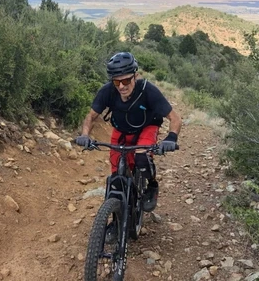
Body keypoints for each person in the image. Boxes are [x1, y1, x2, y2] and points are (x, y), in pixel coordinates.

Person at [75, 51, 182, 212]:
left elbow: (175, 118)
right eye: (117, 82)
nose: (122, 86)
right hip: (121, 130)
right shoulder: (107, 91)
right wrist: (85, 135)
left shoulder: (148, 91)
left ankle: (152, 185)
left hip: (147, 127)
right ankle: (115, 220)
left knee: (141, 157)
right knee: (116, 176)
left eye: (126, 80)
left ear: (135, 76)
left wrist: (171, 137)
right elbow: (90, 116)